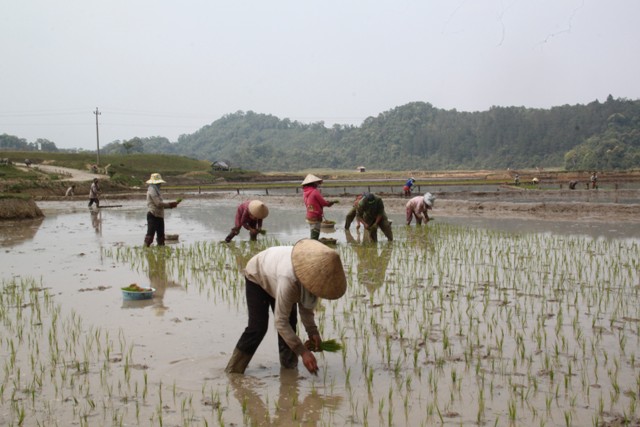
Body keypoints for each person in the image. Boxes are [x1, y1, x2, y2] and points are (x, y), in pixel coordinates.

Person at [225, 239, 347, 375]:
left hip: (277, 275)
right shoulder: (290, 278)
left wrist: (313, 332)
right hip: (259, 275)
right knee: (258, 328)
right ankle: (234, 370)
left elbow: (305, 307)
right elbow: (280, 322)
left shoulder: (314, 276)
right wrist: (303, 352)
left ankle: (289, 372)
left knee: (291, 323)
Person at [144, 173, 180, 247]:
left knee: (161, 237)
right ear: (154, 183)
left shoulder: (157, 191)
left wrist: (171, 205)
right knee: (150, 236)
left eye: (159, 183)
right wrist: (170, 205)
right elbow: (158, 204)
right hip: (153, 215)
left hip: (159, 215)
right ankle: (145, 250)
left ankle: (161, 253)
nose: (160, 184)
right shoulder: (152, 191)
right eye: (158, 183)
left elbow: (160, 205)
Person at [301, 174, 335, 240]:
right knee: (315, 235)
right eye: (316, 183)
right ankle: (313, 247)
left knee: (313, 232)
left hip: (309, 215)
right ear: (313, 183)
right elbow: (323, 203)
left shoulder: (305, 192)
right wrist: (330, 203)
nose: (317, 184)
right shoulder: (314, 191)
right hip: (315, 216)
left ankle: (312, 245)